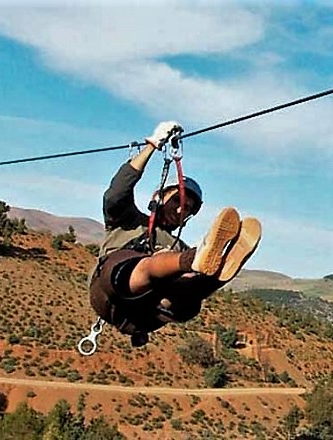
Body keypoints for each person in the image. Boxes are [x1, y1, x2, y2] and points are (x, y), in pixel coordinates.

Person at [88, 121, 261, 347]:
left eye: (188, 208)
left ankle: (216, 271)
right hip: (109, 295)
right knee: (152, 264)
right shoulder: (128, 219)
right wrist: (151, 146)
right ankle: (200, 264)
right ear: (158, 197)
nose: (181, 209)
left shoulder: (177, 245)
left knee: (190, 286)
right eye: (177, 201)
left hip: (148, 314)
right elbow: (117, 192)